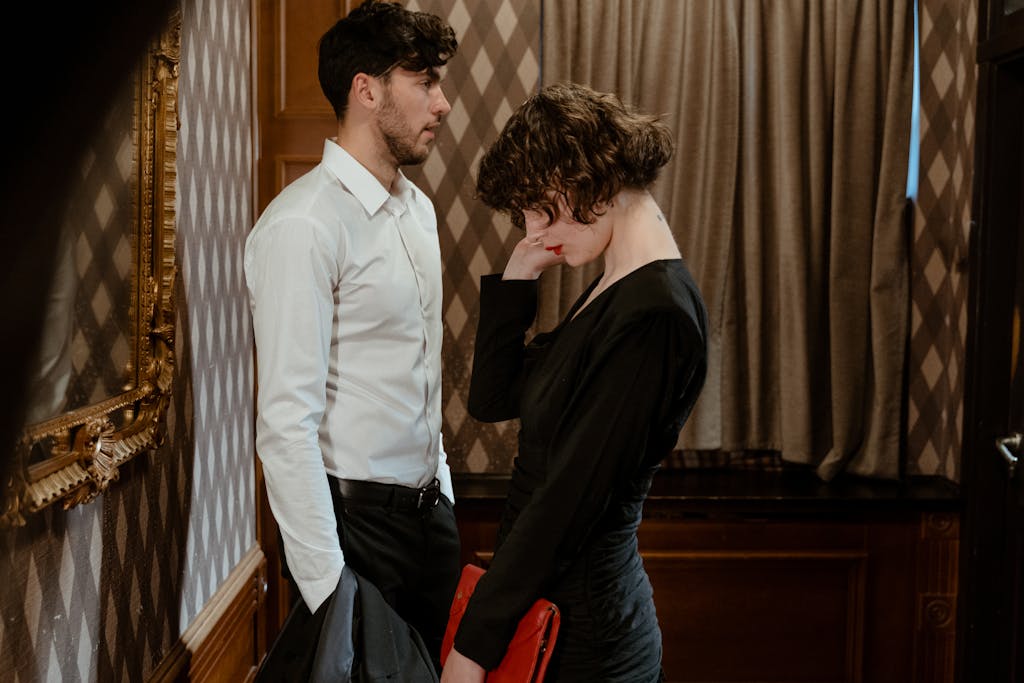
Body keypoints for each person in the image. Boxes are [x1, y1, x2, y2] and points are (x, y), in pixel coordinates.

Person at [441, 83, 709, 682]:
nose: (535, 229)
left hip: (586, 637)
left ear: (584, 173)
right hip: (547, 611)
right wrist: (517, 274)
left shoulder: (656, 311)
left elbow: (568, 499)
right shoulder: (616, 283)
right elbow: (494, 399)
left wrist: (473, 644)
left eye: (541, 208)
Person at [244, 1, 461, 677]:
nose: (443, 103)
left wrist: (444, 493)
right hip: (354, 532)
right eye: (424, 80)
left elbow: (419, 374)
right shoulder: (303, 226)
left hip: (430, 523)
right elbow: (285, 422)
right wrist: (330, 587)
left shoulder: (418, 211)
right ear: (366, 89)